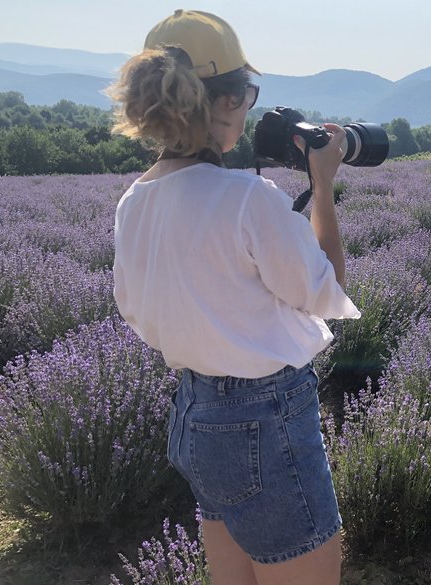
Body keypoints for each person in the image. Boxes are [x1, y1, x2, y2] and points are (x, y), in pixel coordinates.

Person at [109, 10, 358, 585]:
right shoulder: (249, 199)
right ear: (222, 102)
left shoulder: (134, 202)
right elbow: (328, 293)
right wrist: (323, 185)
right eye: (247, 93)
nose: (247, 107)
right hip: (265, 418)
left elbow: (137, 313)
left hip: (195, 415)